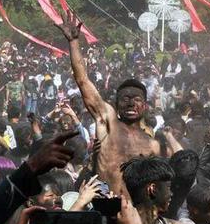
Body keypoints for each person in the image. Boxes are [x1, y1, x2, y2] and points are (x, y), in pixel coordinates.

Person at [56, 11, 161, 192]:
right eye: (125, 99)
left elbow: (155, 187)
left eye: (136, 100)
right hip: (102, 208)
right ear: (116, 103)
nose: (130, 104)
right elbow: (82, 81)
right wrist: (73, 43)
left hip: (134, 212)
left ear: (145, 106)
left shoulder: (152, 145)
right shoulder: (108, 121)